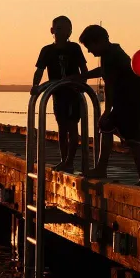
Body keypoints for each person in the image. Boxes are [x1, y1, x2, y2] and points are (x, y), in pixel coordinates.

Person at [75, 25, 140, 187]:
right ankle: (102, 168)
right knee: (107, 126)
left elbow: (109, 85)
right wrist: (82, 76)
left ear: (100, 41)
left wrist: (106, 110)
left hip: (135, 99)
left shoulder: (112, 55)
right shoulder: (110, 52)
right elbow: (103, 71)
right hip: (131, 98)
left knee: (133, 139)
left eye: (90, 47)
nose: (89, 51)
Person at [31, 16, 88, 172]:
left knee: (72, 126)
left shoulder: (74, 48)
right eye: (59, 29)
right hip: (57, 92)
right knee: (62, 127)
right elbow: (39, 70)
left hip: (73, 92)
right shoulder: (47, 50)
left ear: (71, 32)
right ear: (52, 31)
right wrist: (35, 86)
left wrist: (83, 83)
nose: (62, 32)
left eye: (66, 29)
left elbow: (83, 68)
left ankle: (70, 161)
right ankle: (64, 159)